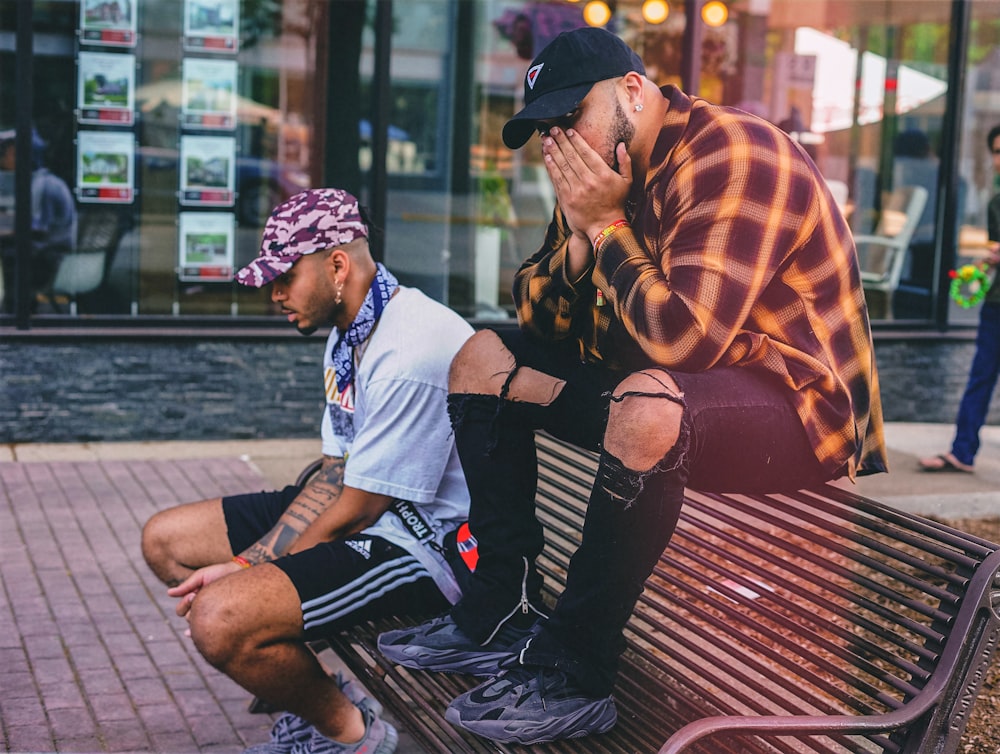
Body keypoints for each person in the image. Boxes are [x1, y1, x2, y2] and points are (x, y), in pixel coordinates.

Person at [377, 27, 887, 745]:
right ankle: (497, 604)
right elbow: (541, 319)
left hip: (798, 413)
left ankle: (578, 668)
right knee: (481, 356)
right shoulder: (600, 176)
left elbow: (684, 339)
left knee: (648, 399)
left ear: (633, 90)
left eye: (570, 114)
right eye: (548, 126)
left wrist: (606, 225)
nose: (563, 139)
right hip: (662, 392)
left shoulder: (734, 156)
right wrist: (584, 242)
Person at [141, 188, 474, 754]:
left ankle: (359, 738)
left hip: (428, 546)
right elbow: (334, 472)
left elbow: (356, 512)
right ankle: (313, 688)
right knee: (165, 540)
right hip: (371, 512)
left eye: (283, 278)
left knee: (221, 620)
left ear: (337, 265)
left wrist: (245, 573)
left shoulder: (409, 348)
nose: (274, 294)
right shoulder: (351, 330)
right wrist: (253, 562)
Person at [919, 124, 1000, 473]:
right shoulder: (996, 202)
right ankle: (962, 452)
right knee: (980, 377)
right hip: (996, 304)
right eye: (997, 152)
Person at [0, 129, 77, 313]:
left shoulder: (45, 185)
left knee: (10, 257)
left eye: (4, 152)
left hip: (47, 260)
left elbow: (35, 233)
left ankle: (14, 312)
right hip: (38, 254)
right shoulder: (31, 181)